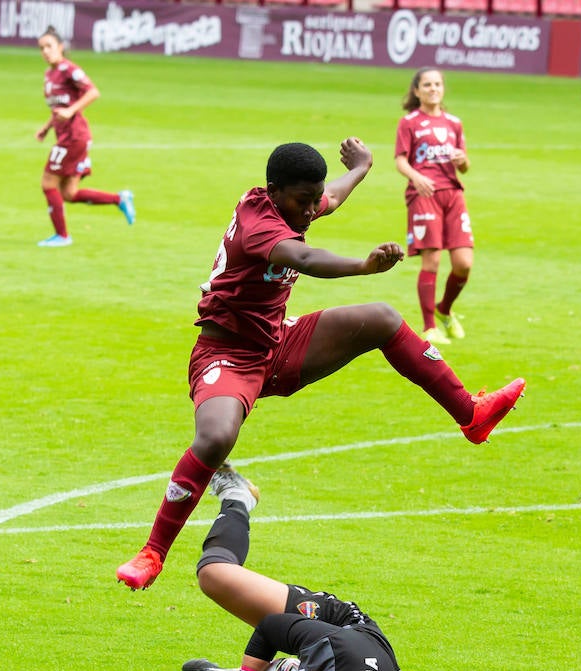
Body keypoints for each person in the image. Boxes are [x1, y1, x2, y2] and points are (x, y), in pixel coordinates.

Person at [114, 138, 526, 592]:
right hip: (227, 355)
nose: (312, 210)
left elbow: (331, 195)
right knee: (215, 437)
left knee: (382, 318)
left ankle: (471, 415)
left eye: (314, 199)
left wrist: (362, 168)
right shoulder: (258, 223)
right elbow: (305, 258)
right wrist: (363, 266)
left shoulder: (292, 204)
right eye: (303, 201)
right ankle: (152, 552)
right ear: (274, 191)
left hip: (278, 342)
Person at [180, 468, 400, 671]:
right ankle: (237, 496)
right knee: (213, 575)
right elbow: (270, 628)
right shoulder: (336, 649)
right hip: (340, 625)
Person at [394, 68, 474, 347]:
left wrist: (462, 160)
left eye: (437, 84)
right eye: (427, 85)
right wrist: (416, 177)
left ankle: (444, 309)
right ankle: (429, 327)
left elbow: (465, 166)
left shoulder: (454, 123)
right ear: (417, 91)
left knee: (464, 263)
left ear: (443, 88)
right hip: (425, 194)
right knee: (433, 261)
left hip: (453, 195)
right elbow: (400, 160)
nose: (433, 89)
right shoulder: (409, 122)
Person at [35, 26, 135, 247]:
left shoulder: (69, 69)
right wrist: (46, 128)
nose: (45, 51)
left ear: (60, 47)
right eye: (41, 48)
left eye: (49, 46)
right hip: (68, 135)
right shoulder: (49, 75)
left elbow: (93, 92)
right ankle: (120, 199)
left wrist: (71, 111)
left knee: (48, 182)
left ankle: (62, 236)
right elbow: (58, 108)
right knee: (69, 193)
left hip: (73, 136)